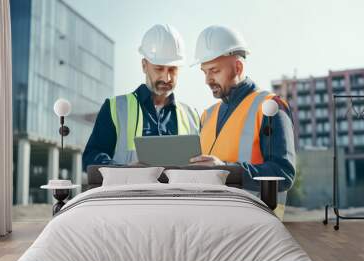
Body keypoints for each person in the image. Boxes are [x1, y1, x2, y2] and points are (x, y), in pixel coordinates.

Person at [190, 25, 296, 193]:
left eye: (214, 71)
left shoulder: (270, 107)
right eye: (204, 72)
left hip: (254, 216)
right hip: (212, 216)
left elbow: (283, 174)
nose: (208, 80)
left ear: (238, 68)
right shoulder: (207, 116)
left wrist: (226, 170)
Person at [83, 24, 199, 170]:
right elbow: (91, 158)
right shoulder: (115, 108)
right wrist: (124, 170)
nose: (166, 77)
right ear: (144, 65)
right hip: (130, 192)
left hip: (177, 193)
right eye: (159, 68)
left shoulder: (192, 116)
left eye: (172, 69)